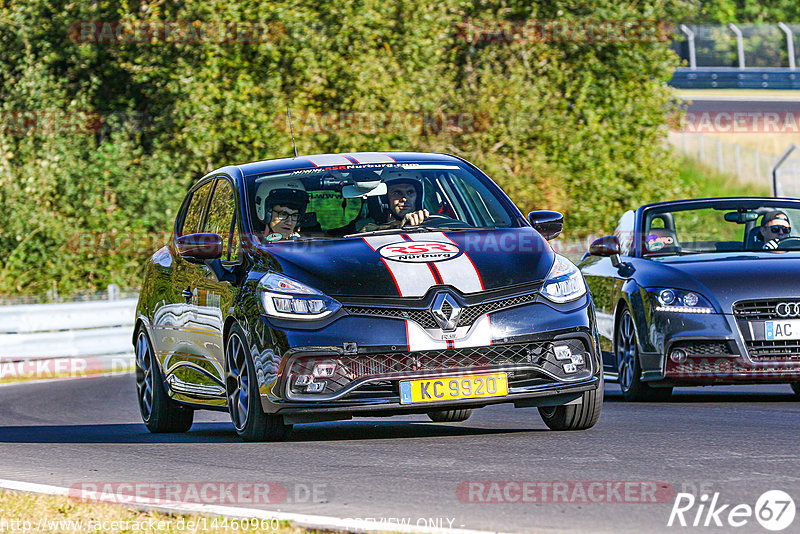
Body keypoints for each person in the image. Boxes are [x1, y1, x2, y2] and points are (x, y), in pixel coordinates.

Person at [358, 171, 429, 232]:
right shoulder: (366, 227)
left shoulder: (428, 222)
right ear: (384, 199)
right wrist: (400, 225)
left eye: (410, 192)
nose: (404, 199)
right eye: (397, 193)